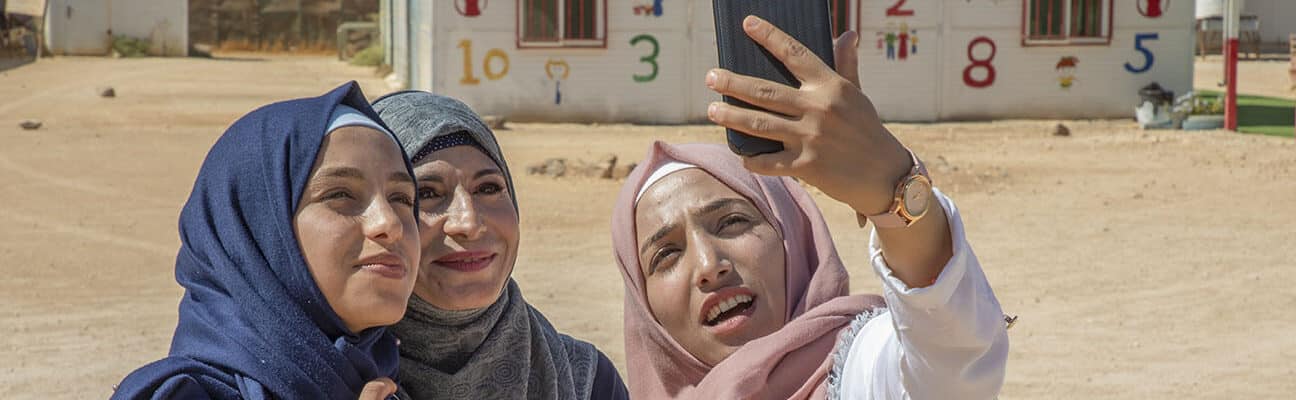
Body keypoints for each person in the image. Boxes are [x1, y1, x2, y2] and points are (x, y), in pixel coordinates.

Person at [609, 16, 1009, 399]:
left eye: (732, 222)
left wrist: (893, 190)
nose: (710, 265)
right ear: (646, 313)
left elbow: (954, 369)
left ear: (793, 237)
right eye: (666, 255)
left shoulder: (857, 371)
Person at [111, 82, 419, 400]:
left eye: (402, 198)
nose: (390, 223)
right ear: (256, 229)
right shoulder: (186, 394)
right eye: (339, 194)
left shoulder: (384, 383)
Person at [372, 91, 629, 400]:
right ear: (378, 219)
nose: (468, 222)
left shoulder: (586, 381)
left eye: (488, 188)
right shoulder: (328, 378)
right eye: (427, 193)